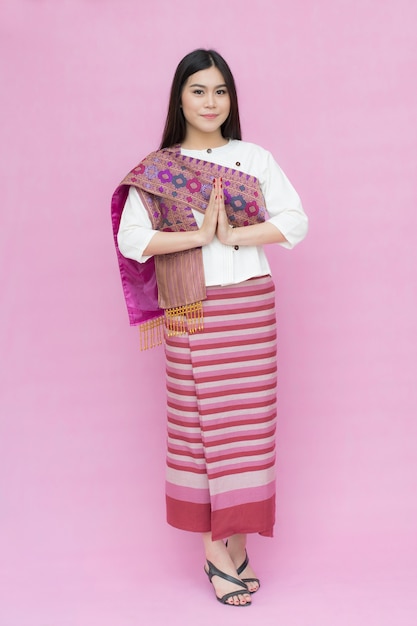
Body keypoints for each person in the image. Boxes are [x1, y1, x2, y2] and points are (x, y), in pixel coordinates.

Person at [111, 49, 308, 607]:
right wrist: (199, 238)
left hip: (251, 307)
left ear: (231, 99)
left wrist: (237, 236)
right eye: (199, 90)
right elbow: (132, 239)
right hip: (191, 310)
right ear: (180, 98)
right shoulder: (159, 167)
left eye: (220, 91)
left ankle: (238, 542)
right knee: (198, 428)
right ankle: (214, 551)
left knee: (249, 429)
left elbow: (295, 220)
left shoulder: (253, 158)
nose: (210, 101)